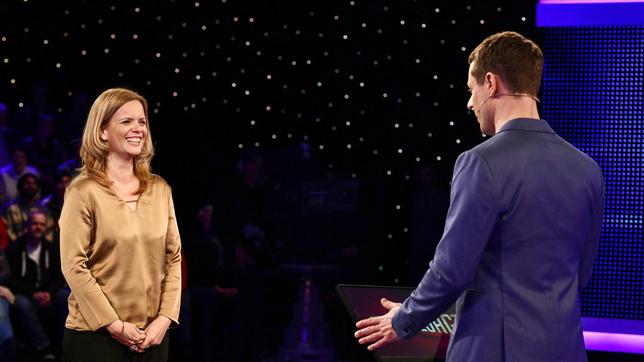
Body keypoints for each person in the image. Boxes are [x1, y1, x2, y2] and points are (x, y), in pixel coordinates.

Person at [354, 31, 604, 361]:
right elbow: (581, 275)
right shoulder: (587, 168)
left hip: (493, 350)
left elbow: (452, 271)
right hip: (565, 349)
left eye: (471, 90)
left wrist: (403, 319)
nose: (470, 103)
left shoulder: (481, 161)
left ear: (491, 83)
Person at [59, 88, 182, 362]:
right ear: (102, 131)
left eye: (142, 122)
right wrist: (114, 326)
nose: (137, 129)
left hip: (153, 336)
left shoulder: (160, 189)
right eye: (126, 121)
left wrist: (165, 319)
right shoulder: (82, 191)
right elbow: (73, 265)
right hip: (95, 336)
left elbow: (173, 258)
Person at [7, 209, 61, 361]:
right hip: (25, 294)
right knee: (21, 303)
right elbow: (11, 279)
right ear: (28, 225)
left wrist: (49, 293)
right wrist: (32, 294)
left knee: (64, 296)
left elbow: (59, 276)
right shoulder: (16, 248)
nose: (38, 227)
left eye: (42, 224)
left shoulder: (50, 248)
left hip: (46, 293)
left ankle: (62, 345)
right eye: (35, 223)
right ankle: (45, 348)